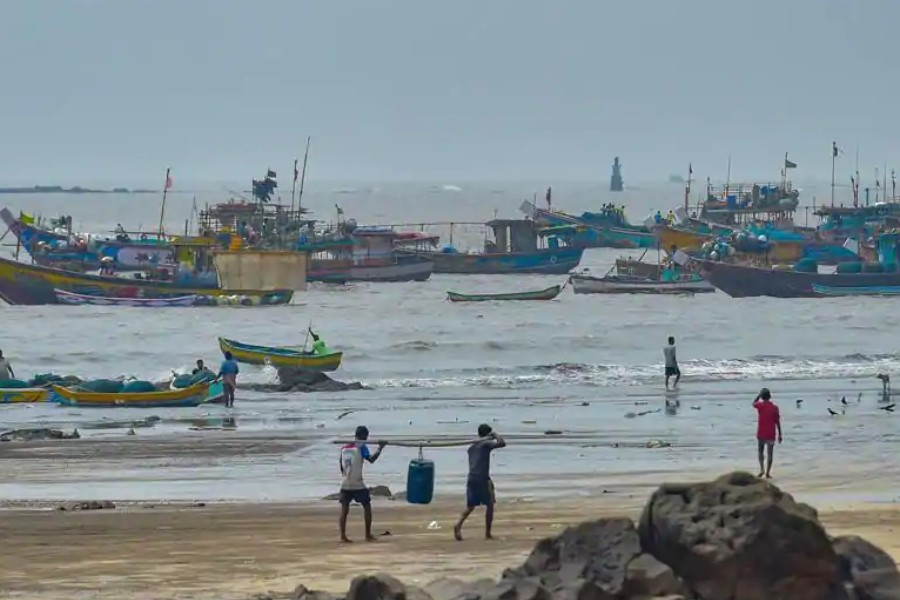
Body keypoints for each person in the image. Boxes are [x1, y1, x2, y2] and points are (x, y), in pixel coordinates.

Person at [454, 424, 506, 541]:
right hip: (482, 478)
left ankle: (458, 524)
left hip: (471, 478)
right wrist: (495, 435)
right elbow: (502, 443)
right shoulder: (485, 444)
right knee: (490, 504)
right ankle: (488, 533)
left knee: (471, 506)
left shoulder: (472, 447)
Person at [339, 425, 386, 543]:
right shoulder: (362, 447)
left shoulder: (344, 448)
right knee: (366, 505)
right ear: (364, 436)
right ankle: (367, 535)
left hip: (345, 482)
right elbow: (371, 459)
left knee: (344, 509)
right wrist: (380, 448)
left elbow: (341, 465)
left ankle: (343, 535)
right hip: (357, 483)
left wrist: (347, 475)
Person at [753, 388, 782, 478]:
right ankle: (768, 472)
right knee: (770, 453)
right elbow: (777, 422)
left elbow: (753, 403)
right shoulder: (775, 408)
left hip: (761, 432)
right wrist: (780, 434)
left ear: (762, 396)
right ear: (769, 396)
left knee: (760, 451)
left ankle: (762, 469)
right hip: (771, 433)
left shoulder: (760, 405)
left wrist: (759, 395)